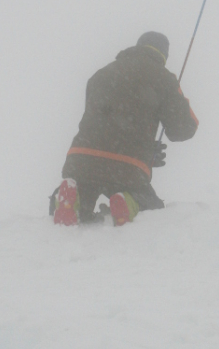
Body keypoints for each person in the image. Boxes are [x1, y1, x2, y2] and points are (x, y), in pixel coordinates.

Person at [50, 32, 198, 226]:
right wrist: (176, 95)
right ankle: (129, 202)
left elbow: (103, 122)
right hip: (127, 166)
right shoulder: (163, 77)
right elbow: (183, 129)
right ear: (164, 55)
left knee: (82, 188)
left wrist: (146, 149)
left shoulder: (100, 74)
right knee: (150, 203)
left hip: (82, 157)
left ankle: (69, 197)